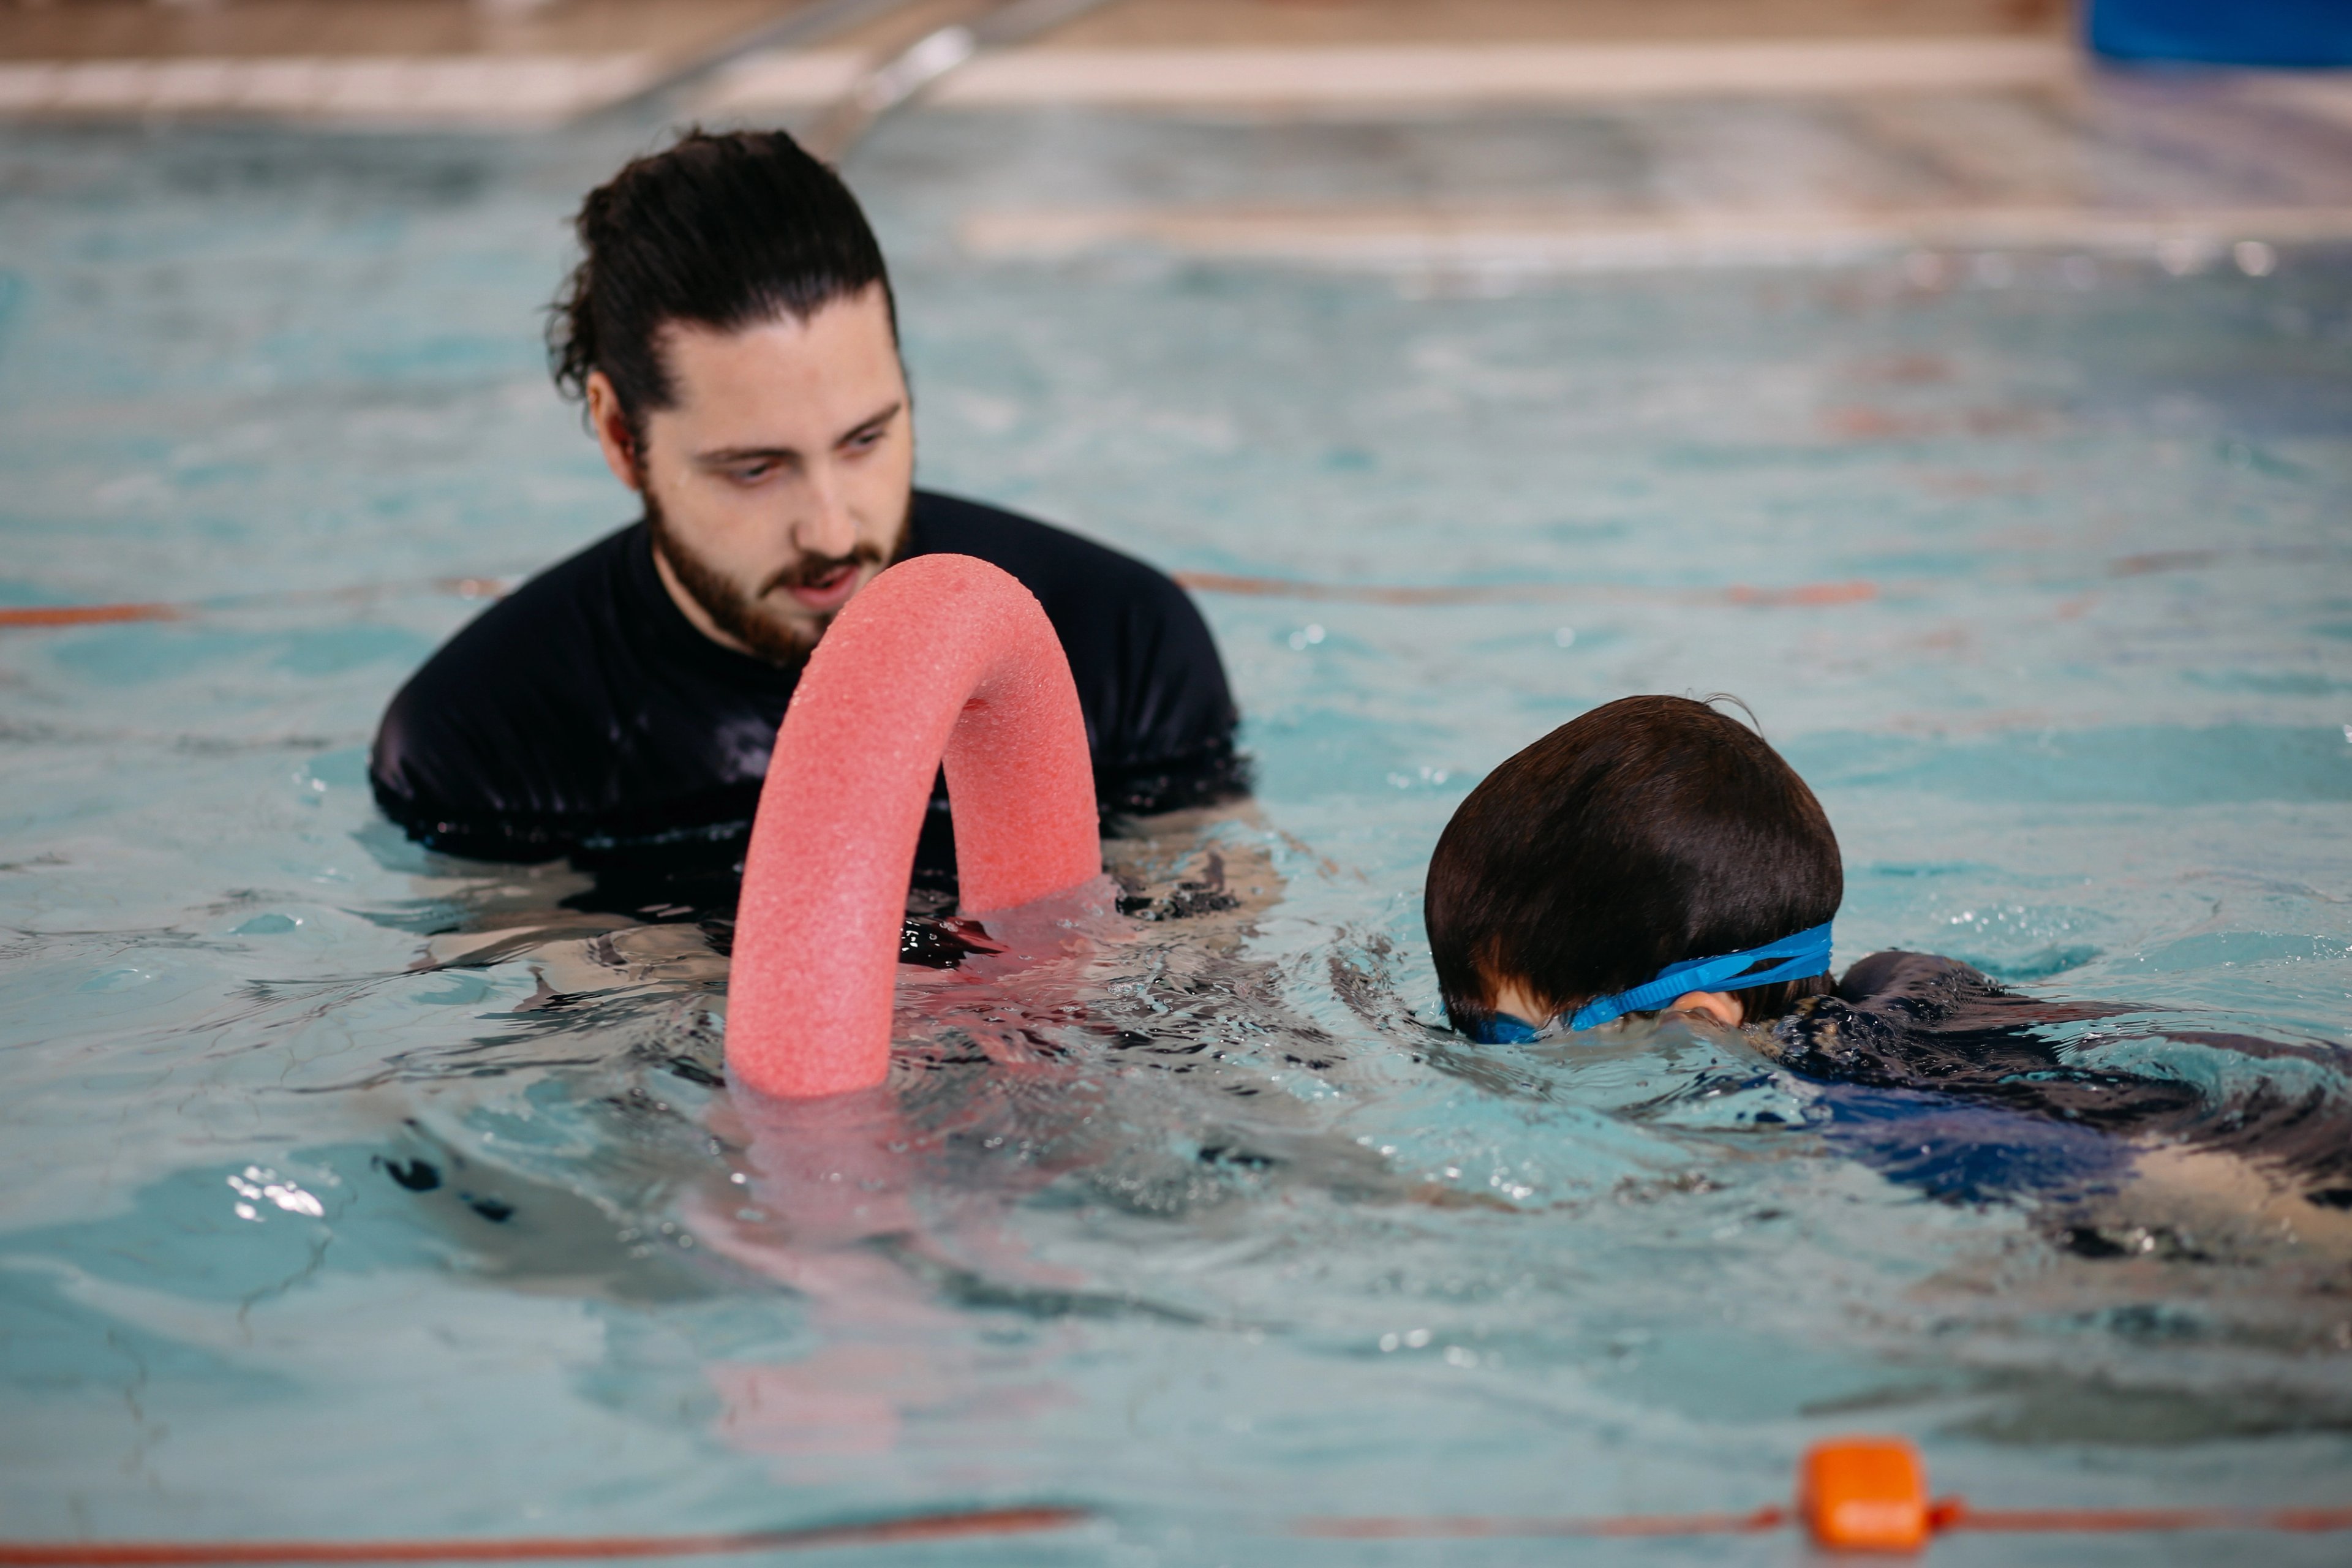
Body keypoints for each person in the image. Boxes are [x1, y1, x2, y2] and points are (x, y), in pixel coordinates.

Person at [369, 129, 1244, 902]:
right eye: (754, 469)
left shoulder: (1118, 645)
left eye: (865, 440)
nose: (831, 533)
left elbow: (1218, 970)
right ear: (620, 435)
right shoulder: (486, 741)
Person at [1423, 695, 2352, 1230]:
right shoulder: (1901, 982)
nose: (1474, 1052)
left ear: (1698, 1021)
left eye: (1508, 1035)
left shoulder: (1896, 1117)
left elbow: (2264, 1212)